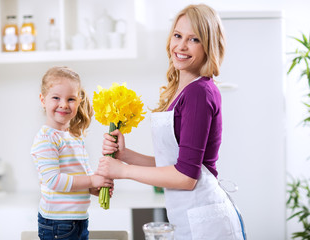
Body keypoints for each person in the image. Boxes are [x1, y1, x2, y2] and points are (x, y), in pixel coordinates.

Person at [97, 4, 246, 240]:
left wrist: (123, 171)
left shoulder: (199, 92)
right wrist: (127, 156)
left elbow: (186, 177)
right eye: (178, 35)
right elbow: (178, 162)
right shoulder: (183, 90)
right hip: (191, 217)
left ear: (208, 45)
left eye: (193, 39)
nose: (181, 46)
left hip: (206, 224)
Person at [30, 66, 113, 240]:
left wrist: (92, 188)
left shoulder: (74, 136)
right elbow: (54, 181)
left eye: (71, 99)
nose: (63, 104)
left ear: (79, 101)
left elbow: (77, 175)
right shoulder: (46, 138)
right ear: (43, 100)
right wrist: (91, 180)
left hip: (78, 220)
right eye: (56, 98)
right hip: (58, 223)